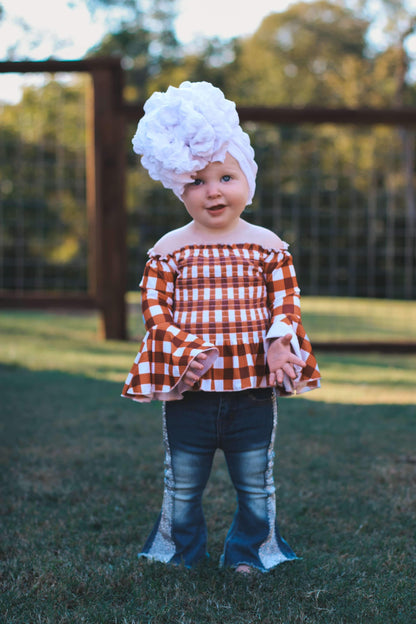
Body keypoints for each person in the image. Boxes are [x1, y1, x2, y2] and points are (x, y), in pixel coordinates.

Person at [122, 81, 321, 574]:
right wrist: (186, 350)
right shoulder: (170, 248)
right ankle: (181, 553)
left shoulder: (267, 245)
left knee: (256, 481)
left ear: (248, 180)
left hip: (253, 389)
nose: (213, 190)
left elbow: (287, 301)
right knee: (183, 482)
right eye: (196, 181)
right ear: (178, 188)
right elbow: (154, 310)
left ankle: (251, 553)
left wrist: (279, 345)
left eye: (226, 176)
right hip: (190, 389)